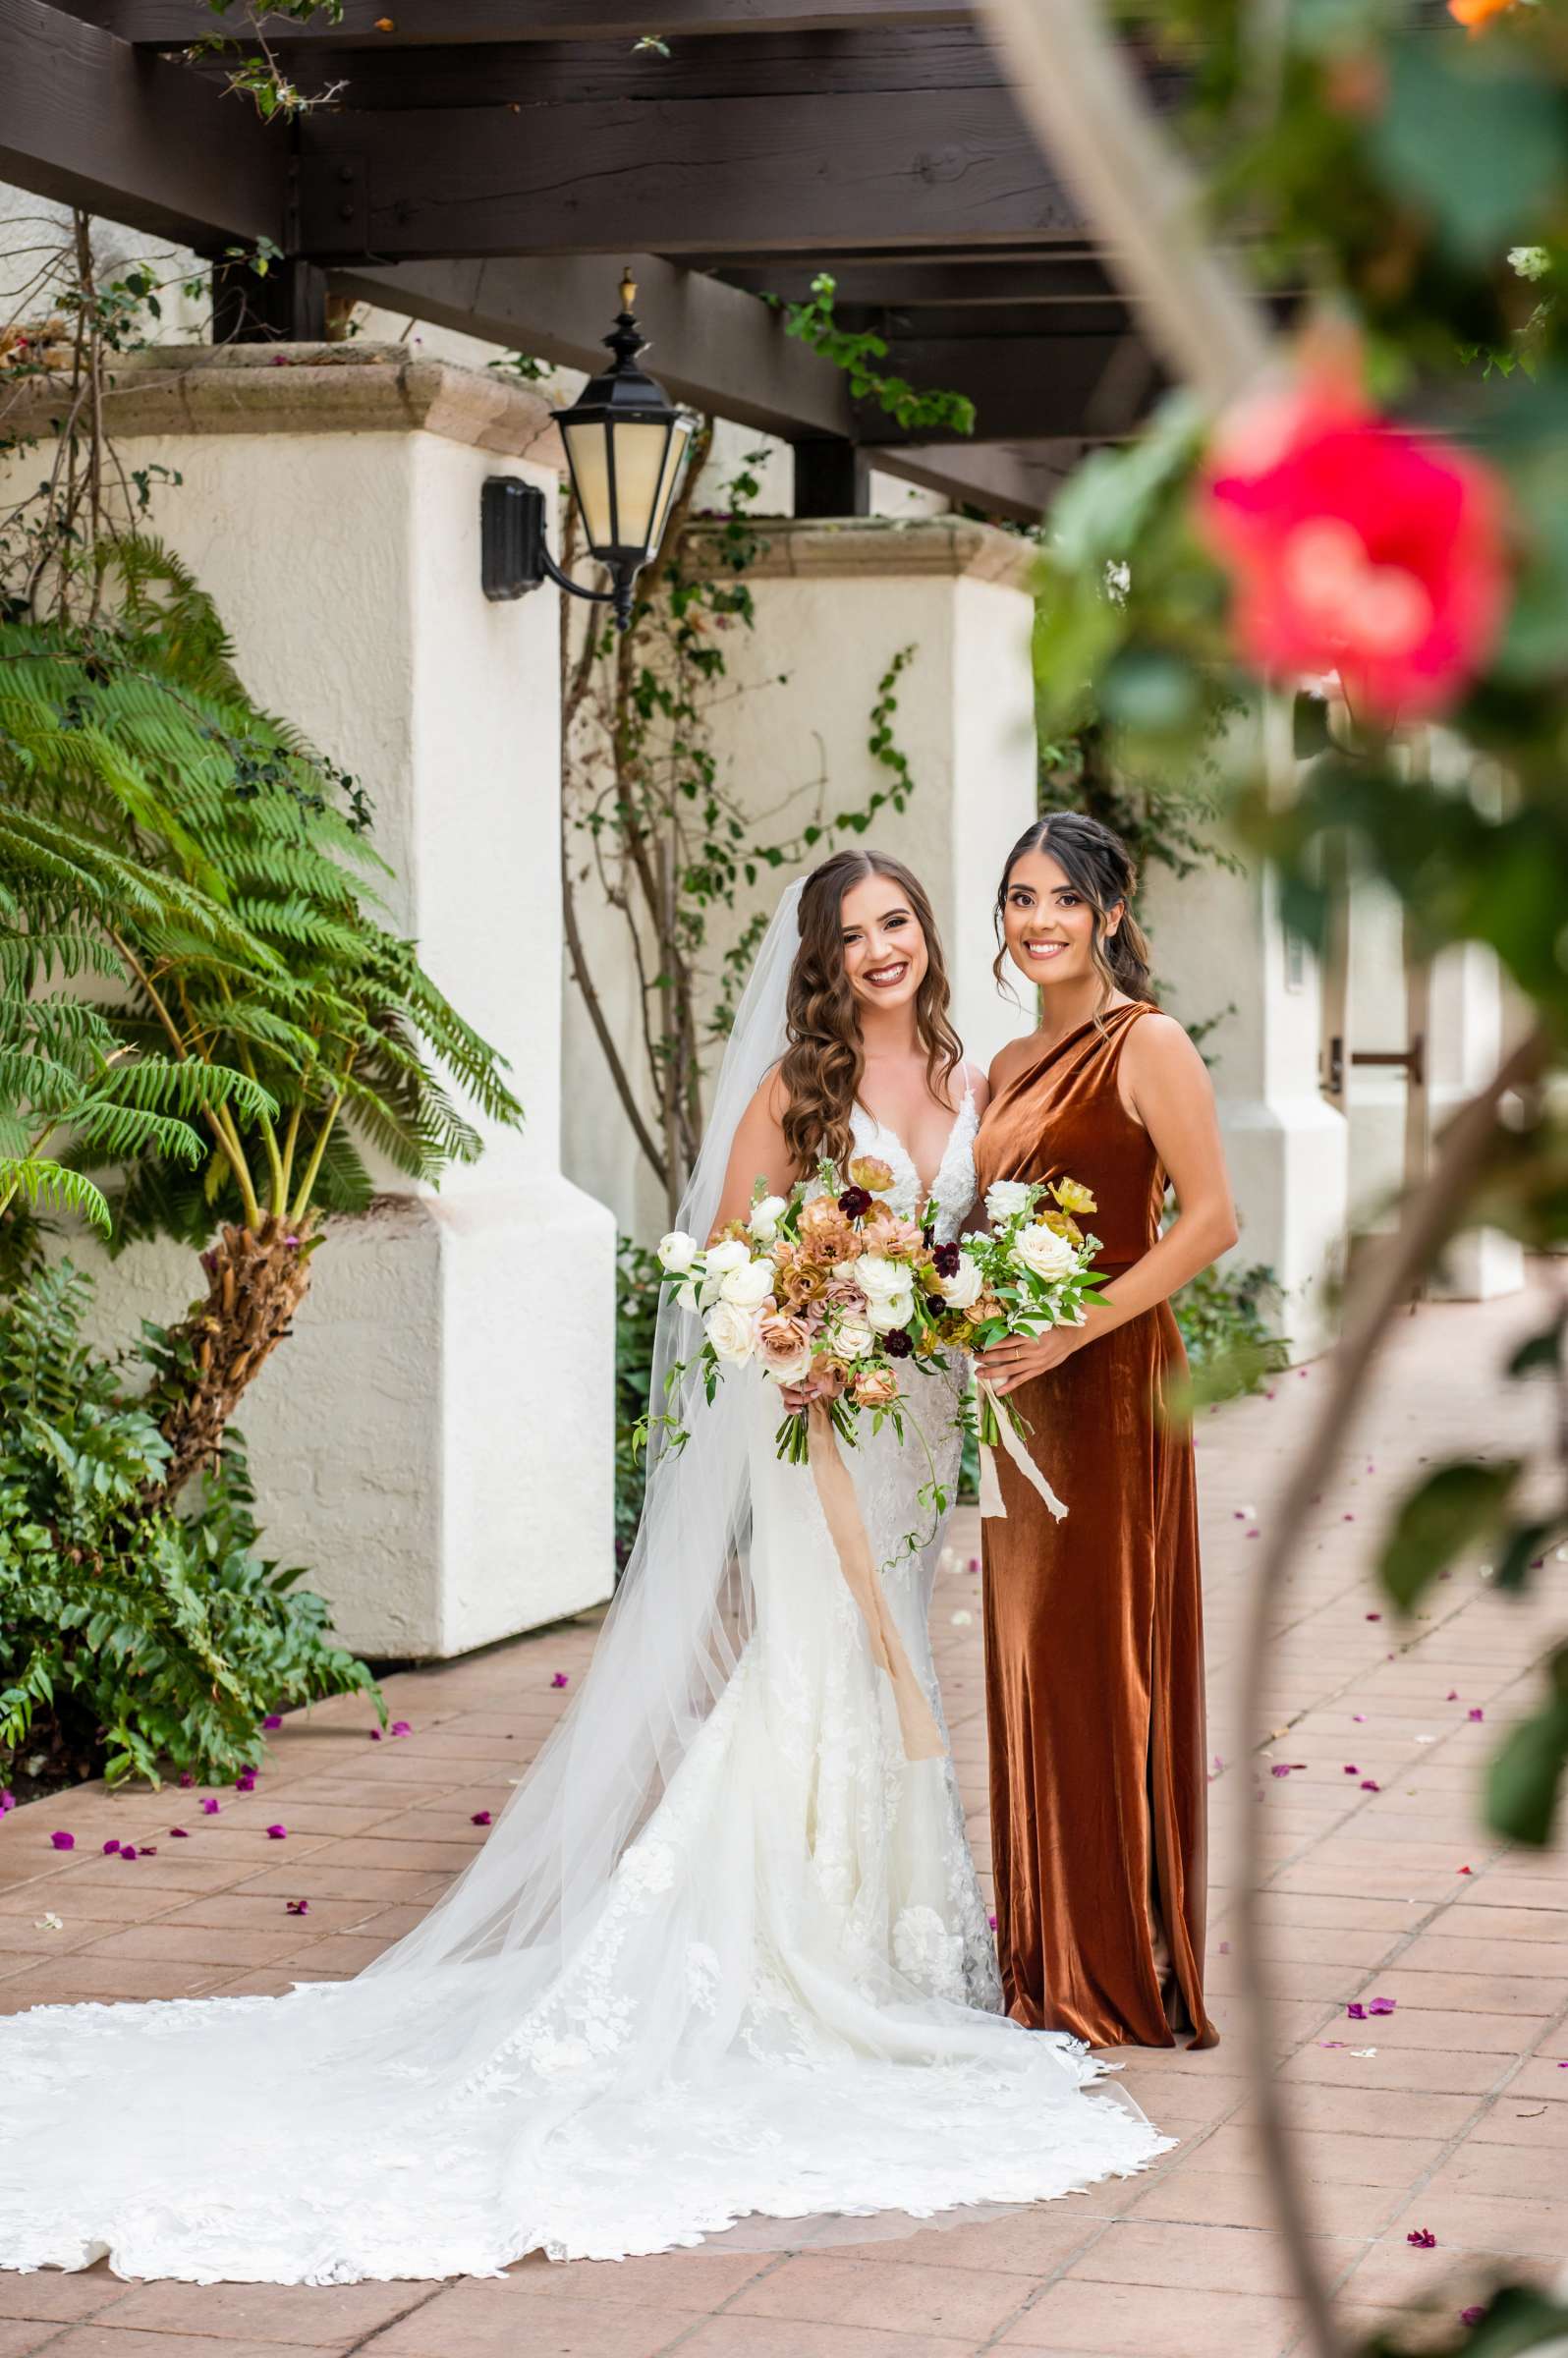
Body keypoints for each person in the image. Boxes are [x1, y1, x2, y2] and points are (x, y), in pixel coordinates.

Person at [0, 847, 1169, 2287]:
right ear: (821, 959)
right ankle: (789, 1961)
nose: (884, 949)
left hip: (918, 1426)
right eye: (854, 933)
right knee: (835, 1668)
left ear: (929, 932)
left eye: (900, 922)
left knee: (886, 1671)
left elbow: (974, 1246)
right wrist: (809, 1345)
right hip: (823, 1439)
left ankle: (866, 1949)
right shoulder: (791, 1101)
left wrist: (968, 1314)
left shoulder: (975, 1081)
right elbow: (732, 1279)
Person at [975, 813, 1235, 2051]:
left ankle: (1113, 1963)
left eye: (1062, 899)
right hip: (1021, 1396)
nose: (1038, 921)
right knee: (1033, 1660)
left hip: (1112, 1380)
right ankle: (1045, 1951)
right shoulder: (1006, 1065)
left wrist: (1077, 1328)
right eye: (1020, 898)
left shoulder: (1149, 1043)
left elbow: (1210, 1223)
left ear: (1111, 913)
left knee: (1101, 1657)